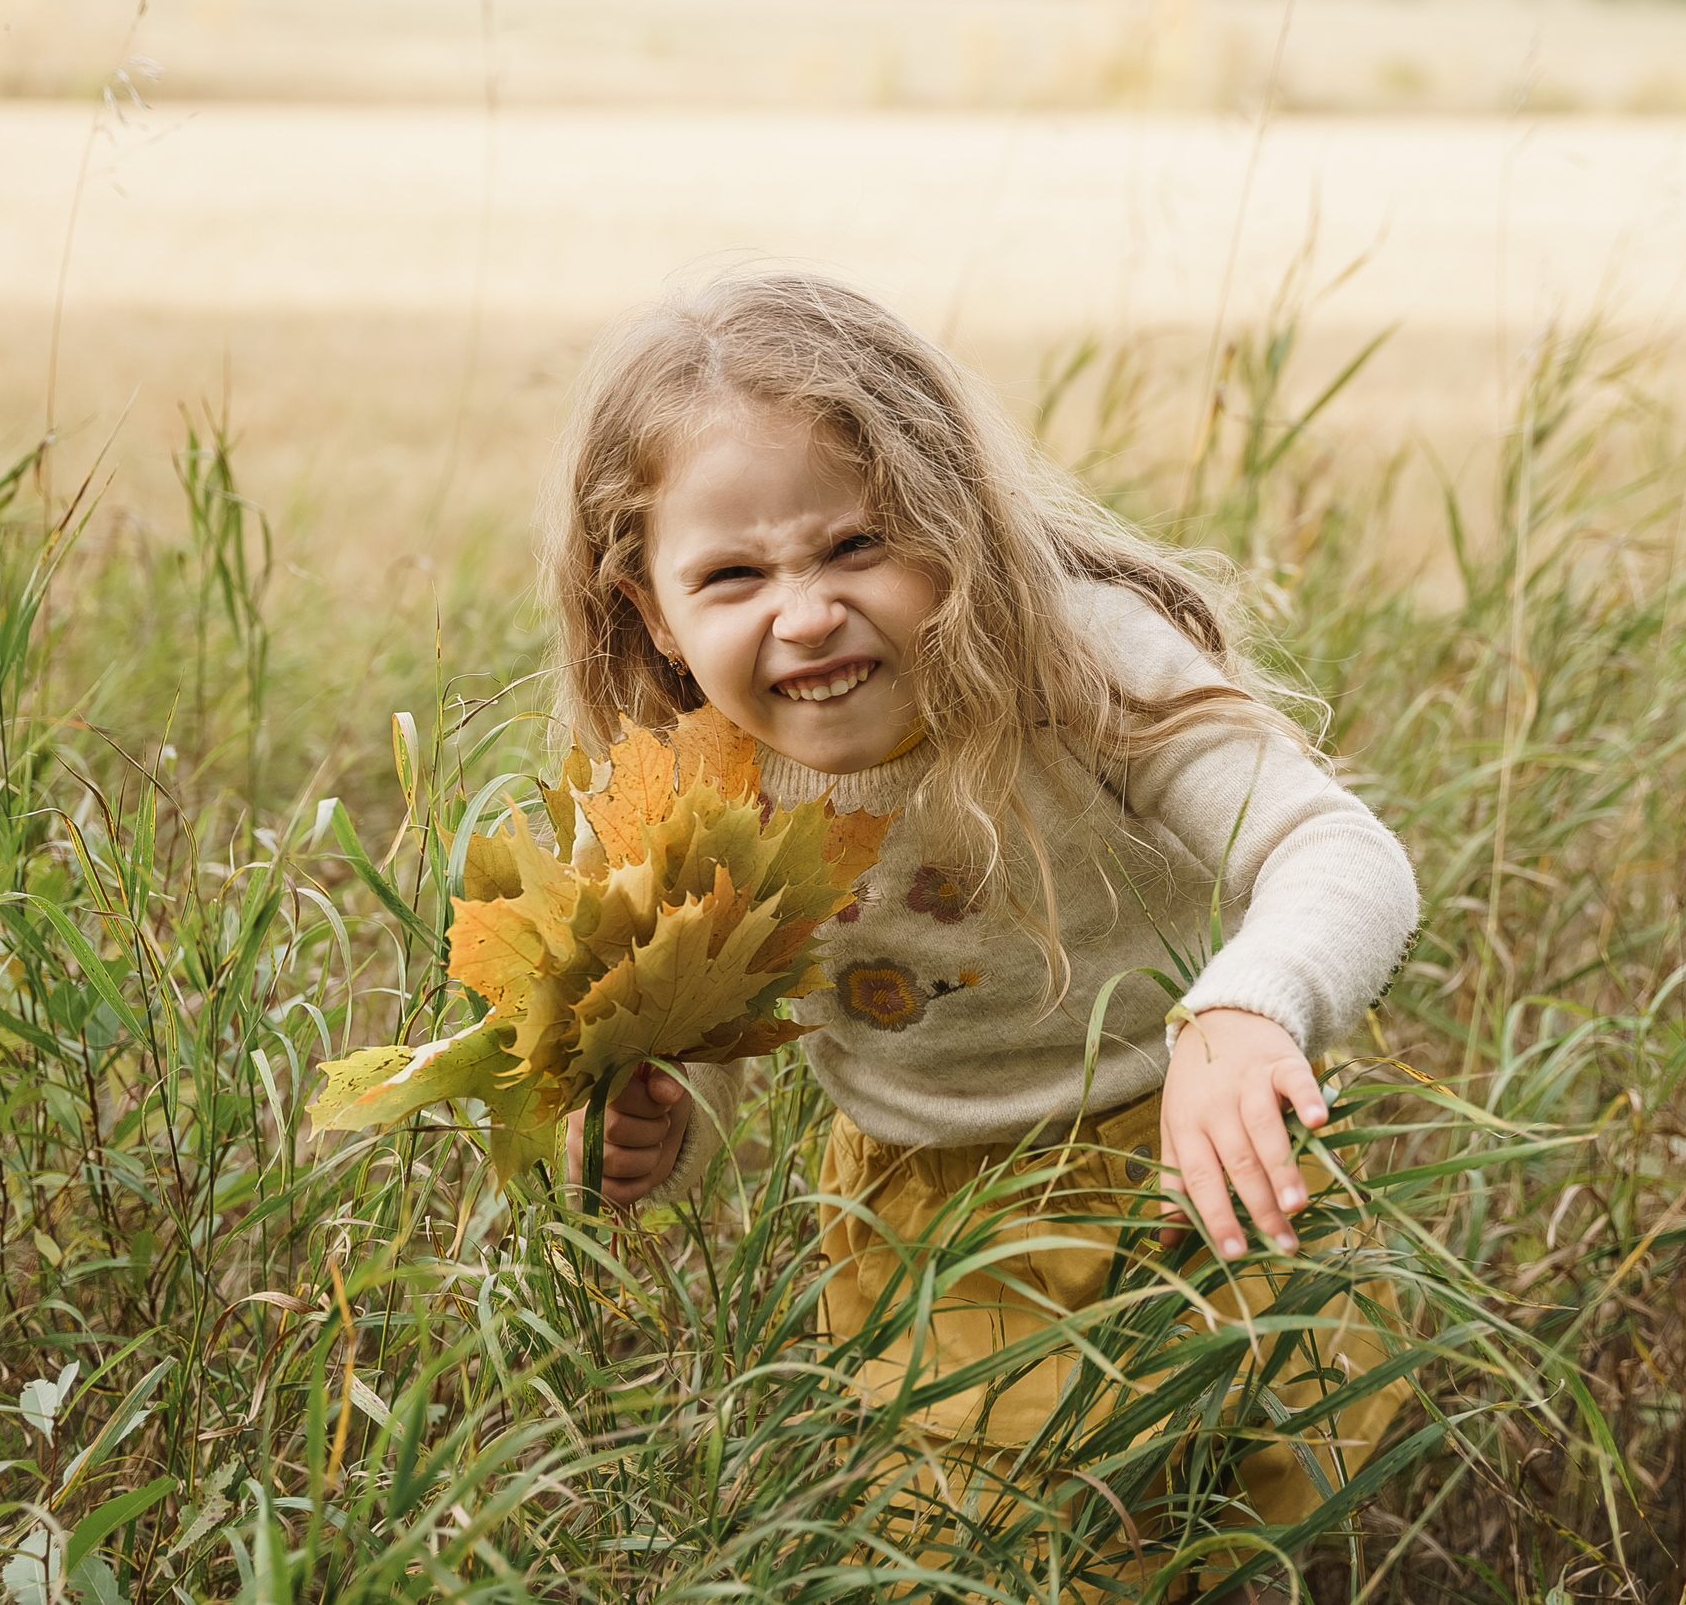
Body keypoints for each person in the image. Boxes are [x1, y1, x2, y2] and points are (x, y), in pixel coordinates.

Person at [546, 270, 1419, 1600]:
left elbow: (1333, 849)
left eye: (853, 547)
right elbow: (696, 1038)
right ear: (651, 609)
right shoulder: (690, 789)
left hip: (1196, 1149)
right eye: (732, 576)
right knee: (1002, 1561)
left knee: (1272, 1526)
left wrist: (1250, 1011)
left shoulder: (1078, 661)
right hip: (937, 1220)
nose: (804, 612)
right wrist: (646, 1127)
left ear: (953, 522)